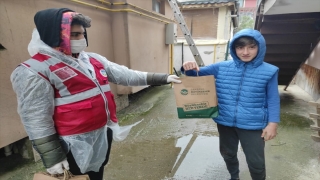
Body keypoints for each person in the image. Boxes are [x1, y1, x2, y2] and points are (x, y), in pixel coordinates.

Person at [10, 8, 180, 180]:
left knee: (96, 175)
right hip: (70, 144)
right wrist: (52, 156)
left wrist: (163, 78)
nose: (81, 39)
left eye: (82, 34)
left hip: (100, 135)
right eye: (74, 35)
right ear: (52, 35)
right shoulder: (35, 70)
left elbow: (125, 75)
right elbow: (36, 119)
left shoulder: (90, 60)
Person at [182, 29, 280, 180]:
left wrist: (272, 123)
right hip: (225, 121)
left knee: (256, 161)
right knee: (228, 154)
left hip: (252, 125)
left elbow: (273, 99)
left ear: (260, 47)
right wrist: (187, 67)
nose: (245, 52)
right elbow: (196, 74)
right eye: (240, 47)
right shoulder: (222, 67)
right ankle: (234, 177)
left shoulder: (269, 71)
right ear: (234, 49)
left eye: (251, 47)